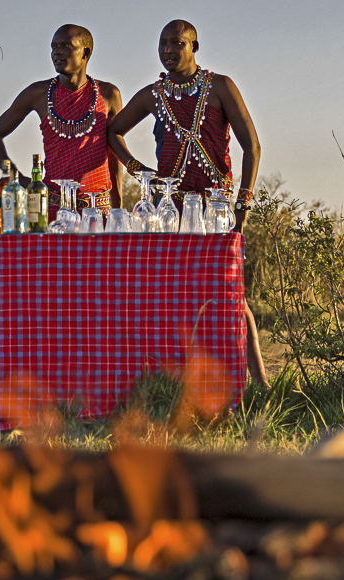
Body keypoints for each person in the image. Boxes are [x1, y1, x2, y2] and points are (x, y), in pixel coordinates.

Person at [107, 19, 269, 387]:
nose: (167, 50)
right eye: (162, 43)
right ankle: (175, 381)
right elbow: (113, 132)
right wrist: (136, 169)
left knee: (229, 291)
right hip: (171, 210)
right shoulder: (152, 95)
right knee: (170, 291)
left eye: (177, 43)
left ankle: (259, 380)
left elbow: (252, 147)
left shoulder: (221, 87)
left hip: (216, 209)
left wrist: (242, 202)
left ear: (194, 47)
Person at [0, 24, 124, 219]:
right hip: (54, 209)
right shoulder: (38, 94)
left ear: (86, 53)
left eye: (66, 45)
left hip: (99, 210)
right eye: (54, 47)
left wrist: (118, 207)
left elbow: (114, 153)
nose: (57, 52)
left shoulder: (108, 94)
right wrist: (16, 178)